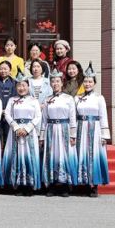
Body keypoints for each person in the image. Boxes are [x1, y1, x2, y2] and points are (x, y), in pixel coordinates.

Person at [2, 70, 42, 196]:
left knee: (29, 156)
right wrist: (16, 127)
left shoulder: (34, 100)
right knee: (16, 156)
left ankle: (29, 185)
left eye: (24, 85)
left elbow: (38, 116)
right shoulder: (12, 100)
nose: (21, 88)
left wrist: (27, 128)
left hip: (29, 132)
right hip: (15, 131)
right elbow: (7, 114)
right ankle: (17, 184)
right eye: (19, 85)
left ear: (28, 86)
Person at [75, 62, 110, 197]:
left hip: (95, 129)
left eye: (90, 81)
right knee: (82, 154)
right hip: (80, 128)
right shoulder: (77, 98)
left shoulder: (99, 98)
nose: (87, 84)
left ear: (94, 83)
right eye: (85, 81)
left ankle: (94, 185)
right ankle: (83, 184)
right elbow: (74, 116)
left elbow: (103, 116)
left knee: (93, 155)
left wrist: (104, 135)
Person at [41, 69, 78, 197]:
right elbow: (44, 119)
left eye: (57, 81)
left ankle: (64, 185)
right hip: (51, 129)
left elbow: (72, 117)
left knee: (64, 155)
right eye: (53, 81)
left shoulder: (69, 98)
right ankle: (52, 185)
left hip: (64, 128)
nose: (55, 84)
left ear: (62, 83)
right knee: (51, 155)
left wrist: (73, 135)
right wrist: (42, 137)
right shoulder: (47, 99)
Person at [0, 61, 17, 148]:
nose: (3, 71)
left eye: (5, 69)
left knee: (8, 137)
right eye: (1, 69)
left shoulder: (14, 82)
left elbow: (15, 98)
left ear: (10, 70)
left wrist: (7, 110)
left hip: (9, 114)